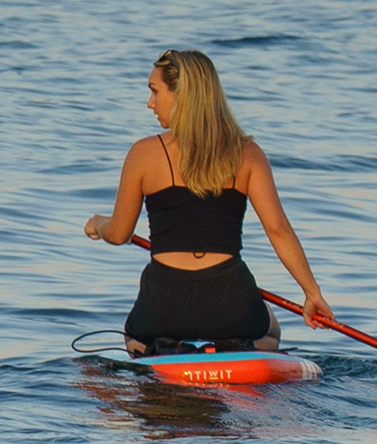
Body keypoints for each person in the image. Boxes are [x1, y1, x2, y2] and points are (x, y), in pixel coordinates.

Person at [82, 47, 328, 350]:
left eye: (155, 92)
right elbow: (277, 229)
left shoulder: (142, 154)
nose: (150, 103)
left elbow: (119, 234)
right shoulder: (248, 154)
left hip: (164, 304)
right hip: (229, 302)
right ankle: (238, 352)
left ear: (181, 96)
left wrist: (97, 224)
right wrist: (311, 292)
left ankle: (156, 352)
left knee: (133, 334)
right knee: (271, 330)